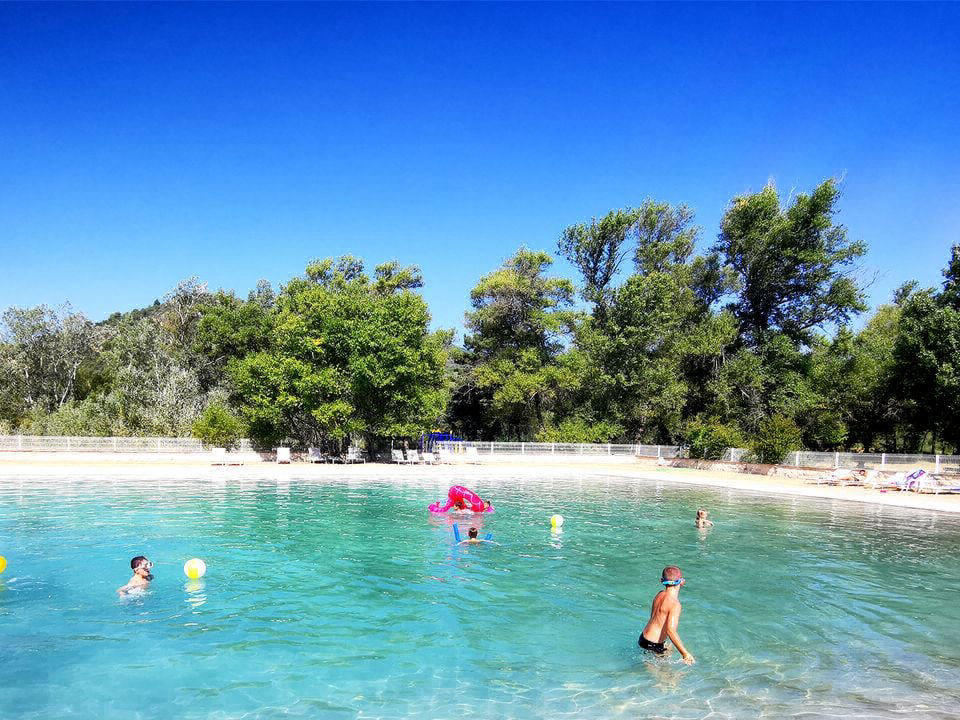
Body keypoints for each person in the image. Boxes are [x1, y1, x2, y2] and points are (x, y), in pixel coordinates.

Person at [638, 566, 695, 664]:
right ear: (682, 582)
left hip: (643, 638)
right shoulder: (675, 605)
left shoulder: (659, 594)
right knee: (665, 673)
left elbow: (654, 617)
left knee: (668, 653)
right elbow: (670, 631)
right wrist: (685, 653)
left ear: (661, 581)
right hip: (654, 645)